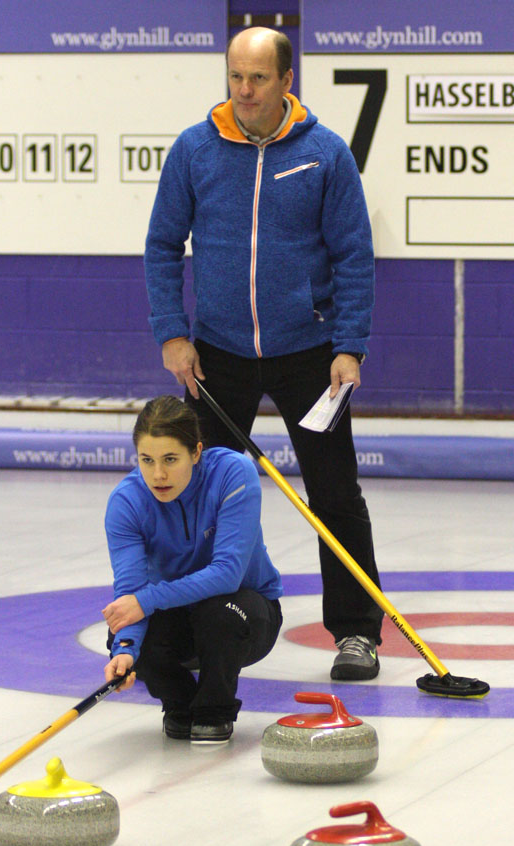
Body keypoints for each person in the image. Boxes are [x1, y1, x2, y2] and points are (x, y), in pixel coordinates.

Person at [143, 26, 383, 681]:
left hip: (311, 355)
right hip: (216, 356)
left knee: (335, 494)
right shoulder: (195, 150)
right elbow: (163, 245)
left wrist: (349, 346)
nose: (244, 91)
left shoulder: (326, 155)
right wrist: (172, 332)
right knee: (201, 498)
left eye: (257, 79)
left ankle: (357, 633)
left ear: (285, 81)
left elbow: (354, 256)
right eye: (235, 77)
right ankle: (192, 624)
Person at [102, 395, 283, 744]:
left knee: (220, 614)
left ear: (196, 452)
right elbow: (130, 592)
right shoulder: (126, 502)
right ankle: (180, 703)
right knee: (127, 634)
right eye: (147, 460)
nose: (158, 474)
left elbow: (227, 572)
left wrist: (146, 599)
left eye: (171, 459)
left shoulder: (233, 473)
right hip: (175, 616)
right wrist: (125, 649)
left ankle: (214, 709)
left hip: (244, 612)